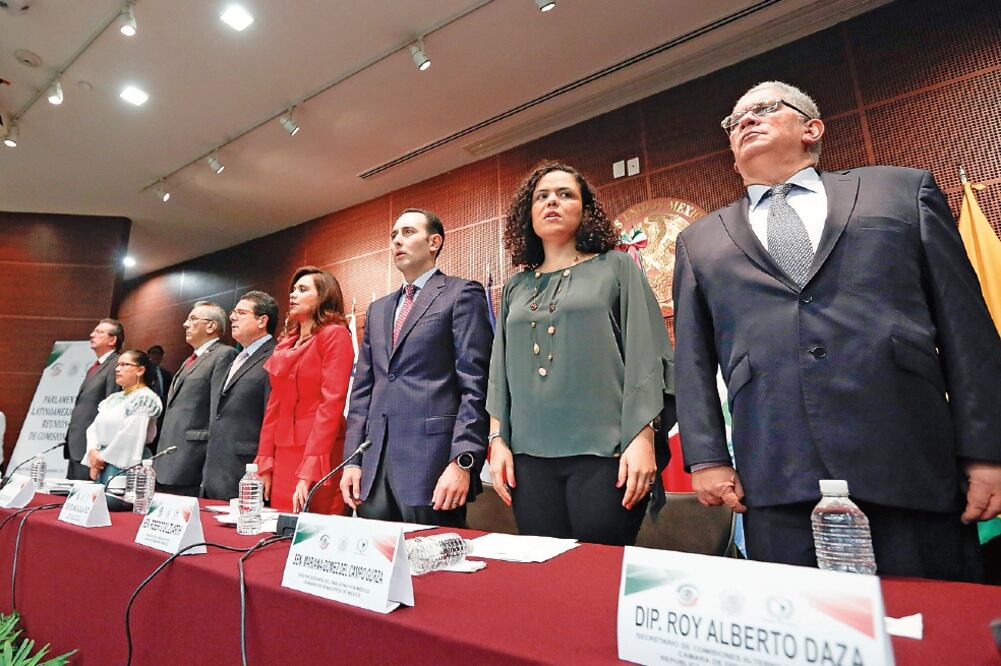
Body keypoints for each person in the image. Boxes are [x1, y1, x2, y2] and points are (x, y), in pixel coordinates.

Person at [672, 80, 1001, 580]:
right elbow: (693, 361)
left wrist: (987, 451)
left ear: (812, 128)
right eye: (734, 122)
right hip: (776, 471)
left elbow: (965, 326)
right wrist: (707, 458)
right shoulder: (700, 241)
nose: (745, 122)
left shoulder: (900, 192)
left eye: (763, 110)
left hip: (905, 456)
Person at [486, 163, 675, 546]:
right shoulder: (515, 288)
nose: (552, 201)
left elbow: (646, 353)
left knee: (598, 574)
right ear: (529, 213)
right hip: (527, 458)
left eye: (566, 194)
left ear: (584, 209)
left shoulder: (617, 266)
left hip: (606, 453)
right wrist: (496, 439)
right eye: (542, 196)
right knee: (546, 574)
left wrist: (642, 438)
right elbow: (499, 369)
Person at [340, 209, 492, 528]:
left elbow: (476, 385)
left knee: (434, 570)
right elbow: (362, 391)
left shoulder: (461, 293)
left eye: (408, 232)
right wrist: (353, 460)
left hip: (433, 466)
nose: (397, 240)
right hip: (373, 469)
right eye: (393, 235)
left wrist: (462, 461)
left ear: (434, 242)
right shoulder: (379, 310)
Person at [256, 268, 354, 514]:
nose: (292, 295)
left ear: (323, 297)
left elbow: (332, 403)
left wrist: (310, 467)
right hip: (283, 453)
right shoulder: (286, 343)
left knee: (314, 533)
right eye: (293, 289)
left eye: (302, 289)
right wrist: (265, 463)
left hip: (320, 451)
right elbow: (273, 406)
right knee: (279, 532)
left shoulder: (335, 335)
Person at [155, 301, 237, 495]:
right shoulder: (189, 360)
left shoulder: (223, 355)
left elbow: (218, 410)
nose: (185, 324)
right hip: (169, 458)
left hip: (193, 459)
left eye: (192, 319)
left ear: (211, 325)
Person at [201, 291, 278, 500]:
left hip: (245, 471)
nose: (232, 317)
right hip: (214, 470)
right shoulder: (237, 357)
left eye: (241, 312)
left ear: (262, 321)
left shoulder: (275, 355)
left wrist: (263, 467)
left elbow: (272, 416)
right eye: (233, 312)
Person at [81, 350, 162, 484]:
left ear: (140, 370)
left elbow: (131, 435)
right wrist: (93, 452)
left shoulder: (145, 398)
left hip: (124, 463)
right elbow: (94, 428)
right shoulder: (112, 398)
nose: (118, 369)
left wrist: (102, 458)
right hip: (101, 460)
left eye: (125, 365)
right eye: (118, 365)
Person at [64, 319, 124, 480]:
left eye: (99, 332)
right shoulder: (97, 366)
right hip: (78, 445)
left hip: (94, 449)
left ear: (112, 340)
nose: (92, 335)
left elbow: (111, 408)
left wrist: (97, 447)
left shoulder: (116, 365)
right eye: (94, 331)